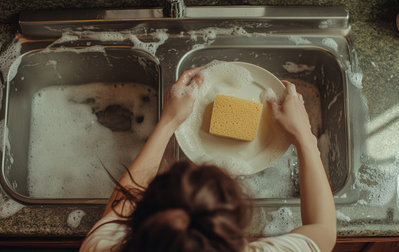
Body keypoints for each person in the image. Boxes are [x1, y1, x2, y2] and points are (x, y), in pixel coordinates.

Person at [80, 67, 336, 252]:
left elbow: (119, 208)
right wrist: (304, 137)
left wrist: (169, 120)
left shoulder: (102, 248)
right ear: (239, 232)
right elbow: (323, 230)